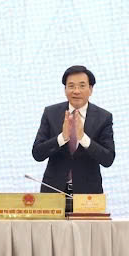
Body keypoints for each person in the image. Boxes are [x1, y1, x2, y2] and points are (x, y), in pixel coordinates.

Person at [32, 65, 116, 211]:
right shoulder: (51, 113)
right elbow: (37, 154)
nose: (76, 91)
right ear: (65, 89)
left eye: (82, 86)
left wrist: (83, 138)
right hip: (53, 192)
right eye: (71, 86)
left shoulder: (103, 117)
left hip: (88, 195)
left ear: (90, 89)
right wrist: (62, 138)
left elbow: (108, 159)